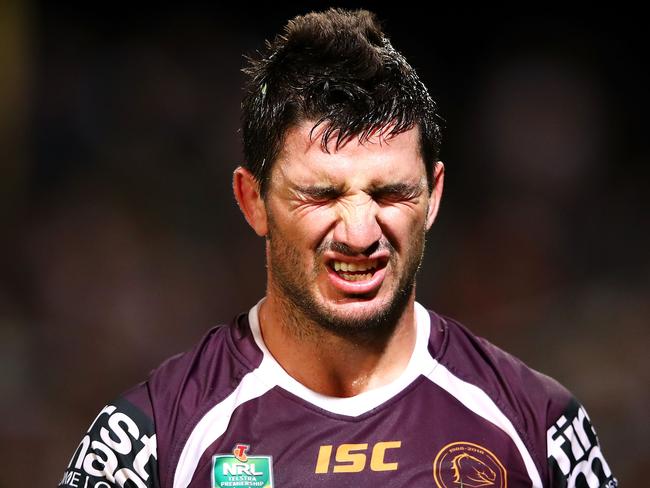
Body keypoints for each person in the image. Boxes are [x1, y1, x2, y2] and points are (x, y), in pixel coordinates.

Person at [58, 8, 617, 488]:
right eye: (322, 195)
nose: (359, 231)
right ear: (251, 201)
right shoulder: (152, 436)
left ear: (434, 196)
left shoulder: (539, 426)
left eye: (390, 193)